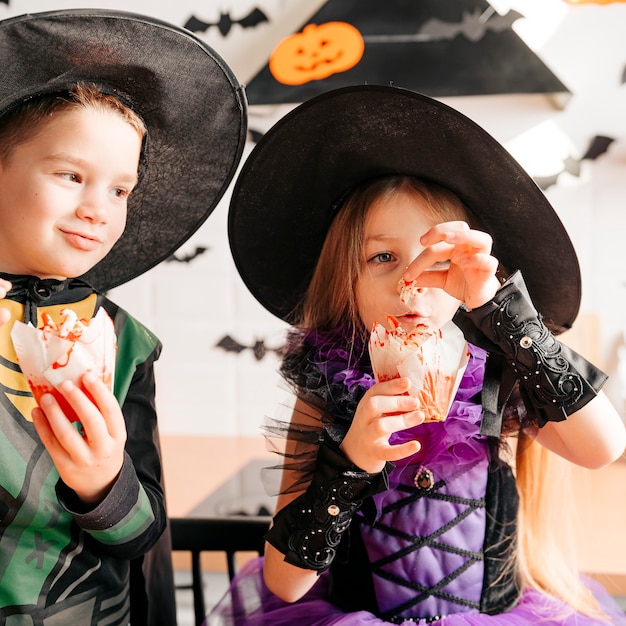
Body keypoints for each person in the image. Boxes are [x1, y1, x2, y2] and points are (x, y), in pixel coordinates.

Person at [209, 85, 626, 625]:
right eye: (383, 256)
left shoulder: (499, 374)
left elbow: (603, 449)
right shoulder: (326, 391)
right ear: (346, 280)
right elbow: (285, 584)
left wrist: (498, 305)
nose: (410, 282)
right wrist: (352, 461)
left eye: (436, 259)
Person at [0, 9, 246, 625]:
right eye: (70, 174)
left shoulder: (124, 341)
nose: (97, 208)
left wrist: (104, 484)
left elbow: (144, 535)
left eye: (120, 190)